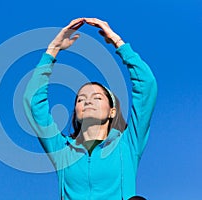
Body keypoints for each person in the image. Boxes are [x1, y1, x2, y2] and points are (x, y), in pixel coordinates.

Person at [23, 18, 157, 200]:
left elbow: (146, 85)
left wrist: (118, 43)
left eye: (97, 97)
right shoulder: (62, 151)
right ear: (76, 113)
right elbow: (33, 102)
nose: (88, 101)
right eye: (81, 99)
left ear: (112, 111)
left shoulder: (127, 144)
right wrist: (53, 50)